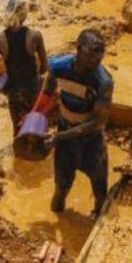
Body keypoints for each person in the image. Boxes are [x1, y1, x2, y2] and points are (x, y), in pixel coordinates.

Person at [29, 29, 113, 216]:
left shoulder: (103, 82)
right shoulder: (58, 66)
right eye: (90, 58)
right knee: (61, 189)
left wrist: (58, 137)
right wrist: (33, 120)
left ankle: (96, 222)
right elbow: (47, 93)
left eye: (99, 59)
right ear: (78, 49)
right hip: (65, 135)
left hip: (91, 141)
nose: (94, 63)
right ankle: (58, 220)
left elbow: (97, 123)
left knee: (100, 192)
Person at [0, 0, 48, 133]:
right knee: (36, 128)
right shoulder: (35, 35)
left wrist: (2, 83)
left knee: (17, 128)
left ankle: (18, 152)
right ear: (25, 14)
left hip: (13, 92)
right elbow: (45, 67)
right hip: (33, 89)